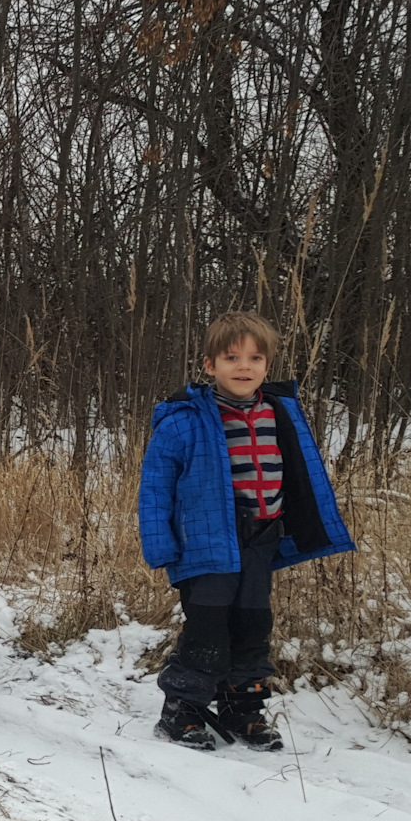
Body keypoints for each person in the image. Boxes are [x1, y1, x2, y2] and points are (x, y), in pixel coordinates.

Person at [136, 312, 354, 751]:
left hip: (260, 538)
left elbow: (301, 472)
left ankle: (243, 709)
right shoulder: (184, 419)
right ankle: (183, 710)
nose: (244, 366)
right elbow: (156, 485)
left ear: (267, 366)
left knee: (253, 625)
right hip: (206, 542)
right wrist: (160, 544)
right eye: (231, 356)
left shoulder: (280, 412)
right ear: (209, 364)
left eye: (255, 357)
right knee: (208, 628)